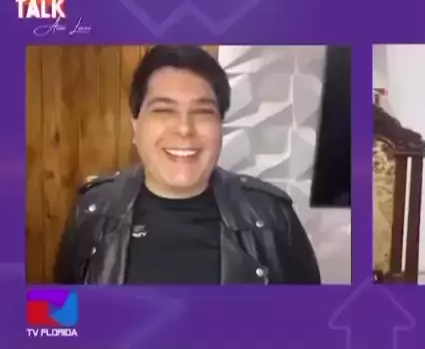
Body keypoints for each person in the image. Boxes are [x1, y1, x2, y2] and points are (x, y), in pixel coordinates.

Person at [54, 45, 322, 285]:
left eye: (203, 112)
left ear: (220, 126)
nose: (184, 129)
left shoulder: (272, 218)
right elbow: (64, 314)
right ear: (136, 127)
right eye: (164, 110)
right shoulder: (93, 211)